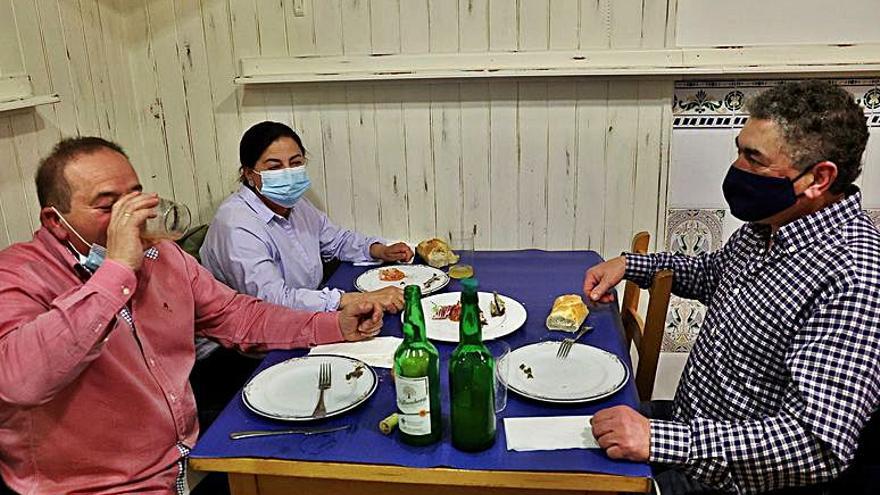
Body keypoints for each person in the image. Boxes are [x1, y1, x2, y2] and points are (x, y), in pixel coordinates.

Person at [0, 137, 385, 494]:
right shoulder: (17, 274)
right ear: (55, 222)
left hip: (189, 464)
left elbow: (239, 316)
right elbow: (19, 381)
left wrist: (334, 324)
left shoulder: (164, 258)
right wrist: (115, 270)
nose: (132, 218)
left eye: (135, 199)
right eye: (108, 206)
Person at [584, 80, 880, 494]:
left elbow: (817, 445)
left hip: (723, 478)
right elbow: (711, 274)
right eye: (739, 150)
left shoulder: (854, 277)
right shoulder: (769, 228)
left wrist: (660, 440)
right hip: (687, 427)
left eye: (754, 159)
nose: (737, 168)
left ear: (819, 178)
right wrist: (632, 264)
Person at [200, 121, 413, 315]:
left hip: (308, 313)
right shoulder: (236, 224)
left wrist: (378, 250)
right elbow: (273, 300)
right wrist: (356, 299)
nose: (288, 174)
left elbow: (336, 240)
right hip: (250, 339)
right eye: (274, 167)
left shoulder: (294, 203)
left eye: (295, 163)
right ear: (248, 173)